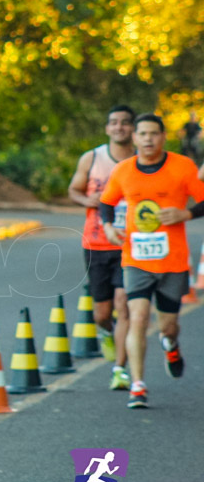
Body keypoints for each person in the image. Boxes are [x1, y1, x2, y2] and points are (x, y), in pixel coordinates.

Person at [99, 113, 204, 409]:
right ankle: (138, 385)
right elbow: (106, 202)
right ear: (134, 138)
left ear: (163, 137)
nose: (148, 139)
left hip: (173, 261)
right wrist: (109, 227)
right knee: (138, 317)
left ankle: (170, 345)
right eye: (142, 133)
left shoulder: (182, 167)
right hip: (135, 258)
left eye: (153, 134)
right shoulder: (123, 171)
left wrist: (186, 214)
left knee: (168, 326)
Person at [68, 105, 135, 389]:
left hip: (130, 245)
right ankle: (107, 333)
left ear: (132, 128)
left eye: (124, 123)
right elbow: (74, 190)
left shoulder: (140, 161)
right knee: (102, 314)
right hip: (96, 243)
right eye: (114, 123)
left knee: (124, 303)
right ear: (107, 128)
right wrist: (89, 201)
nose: (119, 127)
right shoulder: (92, 158)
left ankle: (120, 369)